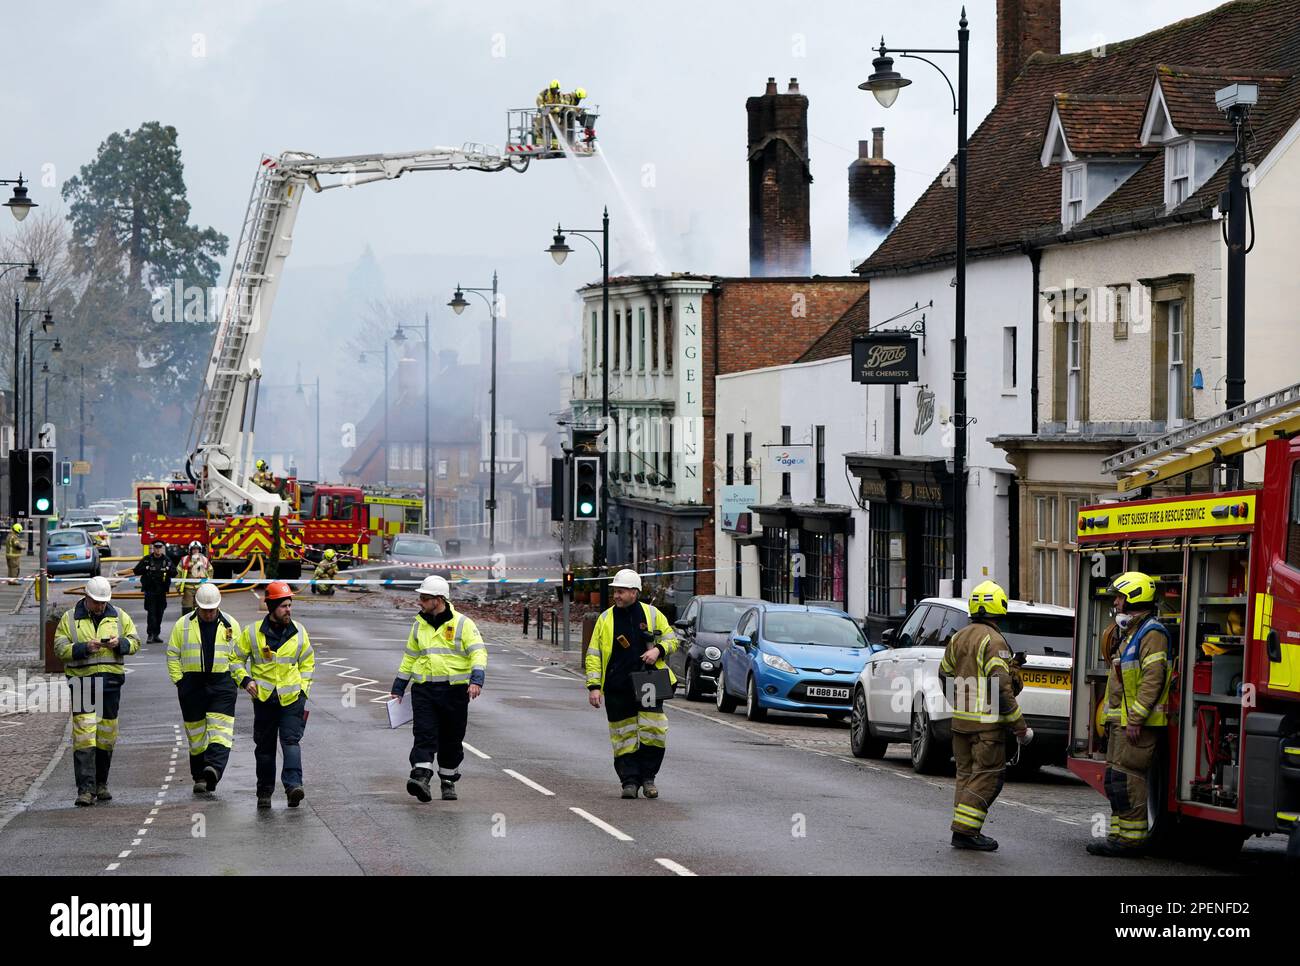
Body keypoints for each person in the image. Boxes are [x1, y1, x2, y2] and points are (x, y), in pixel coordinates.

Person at [937, 579, 1032, 851]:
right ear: (999, 607)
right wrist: (1020, 727)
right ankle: (966, 831)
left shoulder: (959, 636)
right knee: (989, 775)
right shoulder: (994, 640)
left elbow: (944, 674)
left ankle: (963, 829)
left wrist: (959, 702)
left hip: (961, 723)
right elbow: (1002, 688)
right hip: (986, 726)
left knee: (965, 775)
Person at [1088, 571, 1172, 858]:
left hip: (1137, 724)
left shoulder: (1152, 634)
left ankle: (1131, 841)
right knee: (1115, 780)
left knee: (1128, 780)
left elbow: (1152, 679)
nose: (1116, 602)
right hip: (1120, 722)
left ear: (1133, 598)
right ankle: (1118, 836)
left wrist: (1136, 718)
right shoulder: (1132, 633)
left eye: (1120, 597)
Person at [389, 575, 486, 802]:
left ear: (439, 599)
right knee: (424, 734)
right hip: (424, 690)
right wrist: (399, 687)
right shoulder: (418, 625)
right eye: (421, 597)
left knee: (452, 738)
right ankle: (420, 778)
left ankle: (448, 779)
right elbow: (409, 657)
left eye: (424, 598)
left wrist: (476, 680)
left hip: (454, 691)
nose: (420, 602)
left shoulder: (463, 624)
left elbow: (478, 652)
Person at [584, 569, 678, 799]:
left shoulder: (653, 615)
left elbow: (672, 639)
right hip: (618, 685)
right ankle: (629, 781)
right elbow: (593, 654)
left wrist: (658, 650)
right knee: (623, 736)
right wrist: (594, 686)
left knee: (654, 731)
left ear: (634, 593)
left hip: (649, 682)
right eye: (615, 591)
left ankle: (648, 779)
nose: (616, 595)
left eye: (621, 591)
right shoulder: (605, 619)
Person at [53, 576, 141, 806]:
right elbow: (60, 648)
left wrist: (119, 644)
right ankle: (85, 790)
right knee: (84, 738)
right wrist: (84, 648)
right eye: (96, 602)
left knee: (106, 737)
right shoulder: (69, 619)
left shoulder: (119, 616)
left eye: (103, 602)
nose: (100, 606)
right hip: (82, 683)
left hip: (110, 684)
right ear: (86, 597)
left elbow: (135, 642)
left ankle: (101, 784)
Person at [230, 580, 315, 809]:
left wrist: (303, 690)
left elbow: (307, 662)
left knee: (291, 742)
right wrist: (245, 680)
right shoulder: (252, 633)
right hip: (265, 699)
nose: (288, 610)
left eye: (290, 605)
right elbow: (235, 660)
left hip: (292, 698)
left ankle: (293, 787)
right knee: (265, 749)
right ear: (271, 607)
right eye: (283, 606)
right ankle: (265, 792)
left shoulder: (299, 632)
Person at [167, 582, 242, 795]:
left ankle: (214, 769)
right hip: (192, 684)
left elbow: (238, 655)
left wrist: (237, 679)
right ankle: (199, 777)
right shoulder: (183, 625)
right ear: (197, 606)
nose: (209, 613)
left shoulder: (231, 624)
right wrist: (180, 681)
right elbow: (172, 654)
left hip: (222, 683)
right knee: (196, 735)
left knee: (221, 732)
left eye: (212, 609)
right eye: (205, 609)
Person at [131, 540, 175, 642]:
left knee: (160, 613)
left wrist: (168, 569)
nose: (158, 549)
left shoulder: (167, 560)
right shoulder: (147, 560)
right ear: (153, 548)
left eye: (160, 547)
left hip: (162, 591)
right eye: (156, 547)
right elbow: (136, 570)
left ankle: (156, 634)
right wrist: (145, 569)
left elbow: (174, 573)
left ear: (163, 548)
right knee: (151, 614)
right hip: (150, 591)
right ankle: (150, 634)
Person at [177, 541, 212, 612]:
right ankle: (187, 622)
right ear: (190, 550)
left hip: (200, 588)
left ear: (200, 550)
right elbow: (179, 573)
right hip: (188, 589)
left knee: (199, 608)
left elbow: (210, 571)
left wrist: (208, 586)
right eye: (193, 549)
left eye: (197, 549)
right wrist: (178, 586)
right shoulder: (184, 560)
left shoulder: (204, 560)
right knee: (187, 608)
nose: (195, 551)